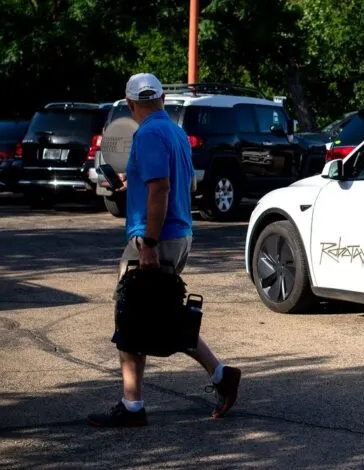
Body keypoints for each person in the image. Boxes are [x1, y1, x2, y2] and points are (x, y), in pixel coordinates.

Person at [87, 73, 241, 427]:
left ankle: (132, 406)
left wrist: (149, 244)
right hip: (179, 232)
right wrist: (131, 182)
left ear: (129, 104)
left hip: (156, 238)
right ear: (162, 99)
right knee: (162, 315)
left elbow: (160, 188)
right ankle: (221, 376)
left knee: (129, 316)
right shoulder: (175, 132)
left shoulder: (148, 134)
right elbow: (175, 182)